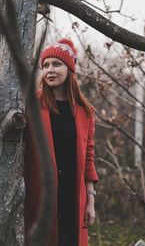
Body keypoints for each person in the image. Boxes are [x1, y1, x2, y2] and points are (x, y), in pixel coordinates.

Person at [24, 38, 99, 246]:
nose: (50, 70)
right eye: (46, 65)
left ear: (70, 69)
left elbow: (88, 156)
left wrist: (90, 200)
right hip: (41, 196)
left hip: (73, 196)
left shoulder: (85, 112)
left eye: (57, 64)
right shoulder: (31, 105)